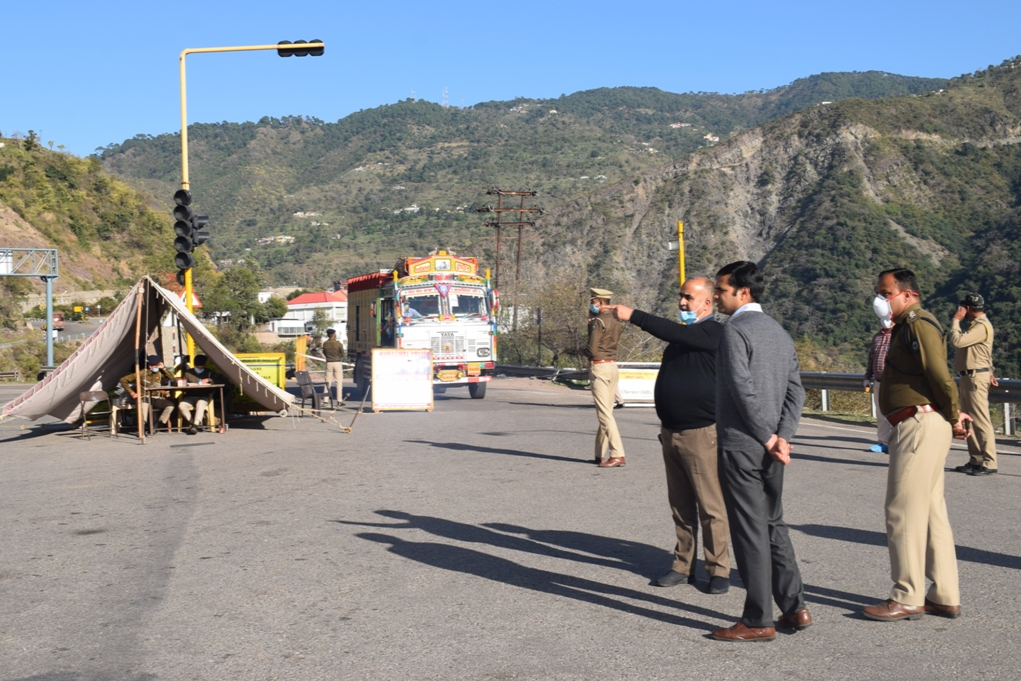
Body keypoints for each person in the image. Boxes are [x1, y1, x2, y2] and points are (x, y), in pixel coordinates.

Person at [862, 268, 972, 622]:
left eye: (886, 292)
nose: (880, 299)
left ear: (908, 295)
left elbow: (939, 373)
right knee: (930, 511)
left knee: (902, 510)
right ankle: (943, 594)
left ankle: (907, 595)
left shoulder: (917, 324)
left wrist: (955, 415)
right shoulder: (905, 326)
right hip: (919, 421)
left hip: (918, 422)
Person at [609, 277, 730, 594]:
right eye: (680, 296)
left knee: (710, 506)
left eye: (688, 297)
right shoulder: (682, 338)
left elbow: (674, 331)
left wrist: (633, 314)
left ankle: (718, 570)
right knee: (680, 505)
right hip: (671, 432)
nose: (682, 302)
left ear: (707, 303)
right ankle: (683, 565)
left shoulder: (712, 332)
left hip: (701, 434)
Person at [710, 261, 810, 642]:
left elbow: (740, 389)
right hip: (773, 448)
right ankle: (795, 606)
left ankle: (757, 620)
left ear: (743, 292)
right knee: (773, 523)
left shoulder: (735, 331)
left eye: (721, 290)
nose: (717, 297)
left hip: (743, 444)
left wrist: (768, 437)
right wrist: (783, 436)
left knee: (750, 531)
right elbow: (795, 391)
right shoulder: (779, 332)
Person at [949, 293, 998, 476]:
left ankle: (989, 461)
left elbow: (956, 341)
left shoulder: (981, 326)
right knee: (969, 419)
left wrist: (956, 320)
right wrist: (991, 372)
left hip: (975, 378)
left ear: (968, 309)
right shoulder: (977, 326)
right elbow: (985, 352)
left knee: (981, 420)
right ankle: (976, 459)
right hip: (970, 377)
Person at [584, 287, 625, 467]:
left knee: (604, 414)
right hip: (612, 365)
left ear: (600, 302)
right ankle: (599, 453)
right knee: (607, 411)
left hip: (599, 366)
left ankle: (617, 454)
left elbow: (592, 349)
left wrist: (579, 350)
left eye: (593, 302)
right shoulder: (616, 320)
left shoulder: (598, 321)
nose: (591, 305)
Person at [119, 354, 178, 433]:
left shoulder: (160, 373)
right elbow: (123, 380)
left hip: (155, 398)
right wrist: (132, 393)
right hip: (144, 397)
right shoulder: (142, 373)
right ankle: (143, 427)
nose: (158, 367)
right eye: (156, 365)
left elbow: (173, 379)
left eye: (159, 365)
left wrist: (163, 368)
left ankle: (158, 423)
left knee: (170, 405)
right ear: (150, 366)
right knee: (144, 407)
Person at [865, 314, 894, 453]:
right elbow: (871, 358)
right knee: (880, 413)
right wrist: (867, 377)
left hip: (894, 382)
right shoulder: (877, 337)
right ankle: (884, 442)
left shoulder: (899, 336)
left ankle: (897, 442)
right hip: (878, 381)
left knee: (895, 413)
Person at [178, 355, 224, 435]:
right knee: (181, 405)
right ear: (195, 365)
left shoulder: (209, 372)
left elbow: (218, 380)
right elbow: (182, 385)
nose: (200, 369)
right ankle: (194, 424)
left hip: (203, 396)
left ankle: (195, 425)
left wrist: (209, 380)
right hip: (190, 396)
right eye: (198, 367)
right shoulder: (188, 373)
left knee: (200, 403)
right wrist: (184, 384)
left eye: (201, 367)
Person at [323, 328, 346, 407]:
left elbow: (324, 353)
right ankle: (339, 400)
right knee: (338, 382)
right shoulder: (338, 344)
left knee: (327, 382)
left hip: (329, 363)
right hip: (337, 363)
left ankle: (325, 400)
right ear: (333, 335)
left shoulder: (325, 344)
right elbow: (342, 354)